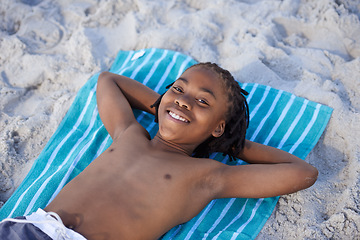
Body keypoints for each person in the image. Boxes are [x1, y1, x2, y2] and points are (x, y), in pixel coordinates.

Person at [0, 63, 318, 240]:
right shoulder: (130, 134)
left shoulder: (206, 176)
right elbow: (109, 80)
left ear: (218, 127)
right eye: (178, 89)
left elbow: (303, 173)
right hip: (29, 228)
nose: (183, 99)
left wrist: (231, 144)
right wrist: (164, 106)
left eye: (202, 101)